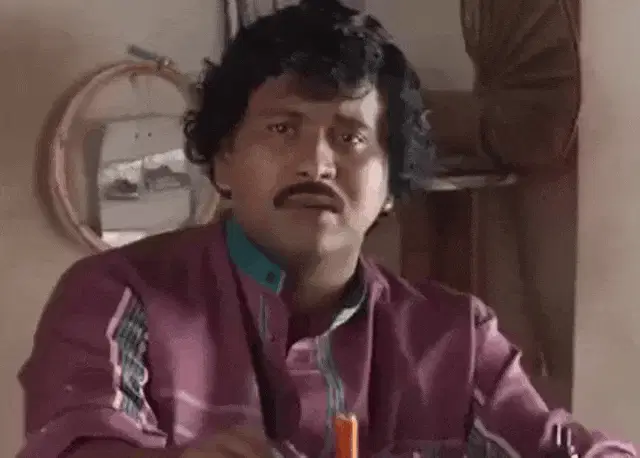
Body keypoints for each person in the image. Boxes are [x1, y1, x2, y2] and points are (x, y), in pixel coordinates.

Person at [17, 1, 634, 457]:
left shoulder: (457, 341)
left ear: (391, 182)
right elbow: (80, 439)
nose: (316, 163)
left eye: (350, 137)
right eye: (283, 129)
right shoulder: (119, 295)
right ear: (224, 161)